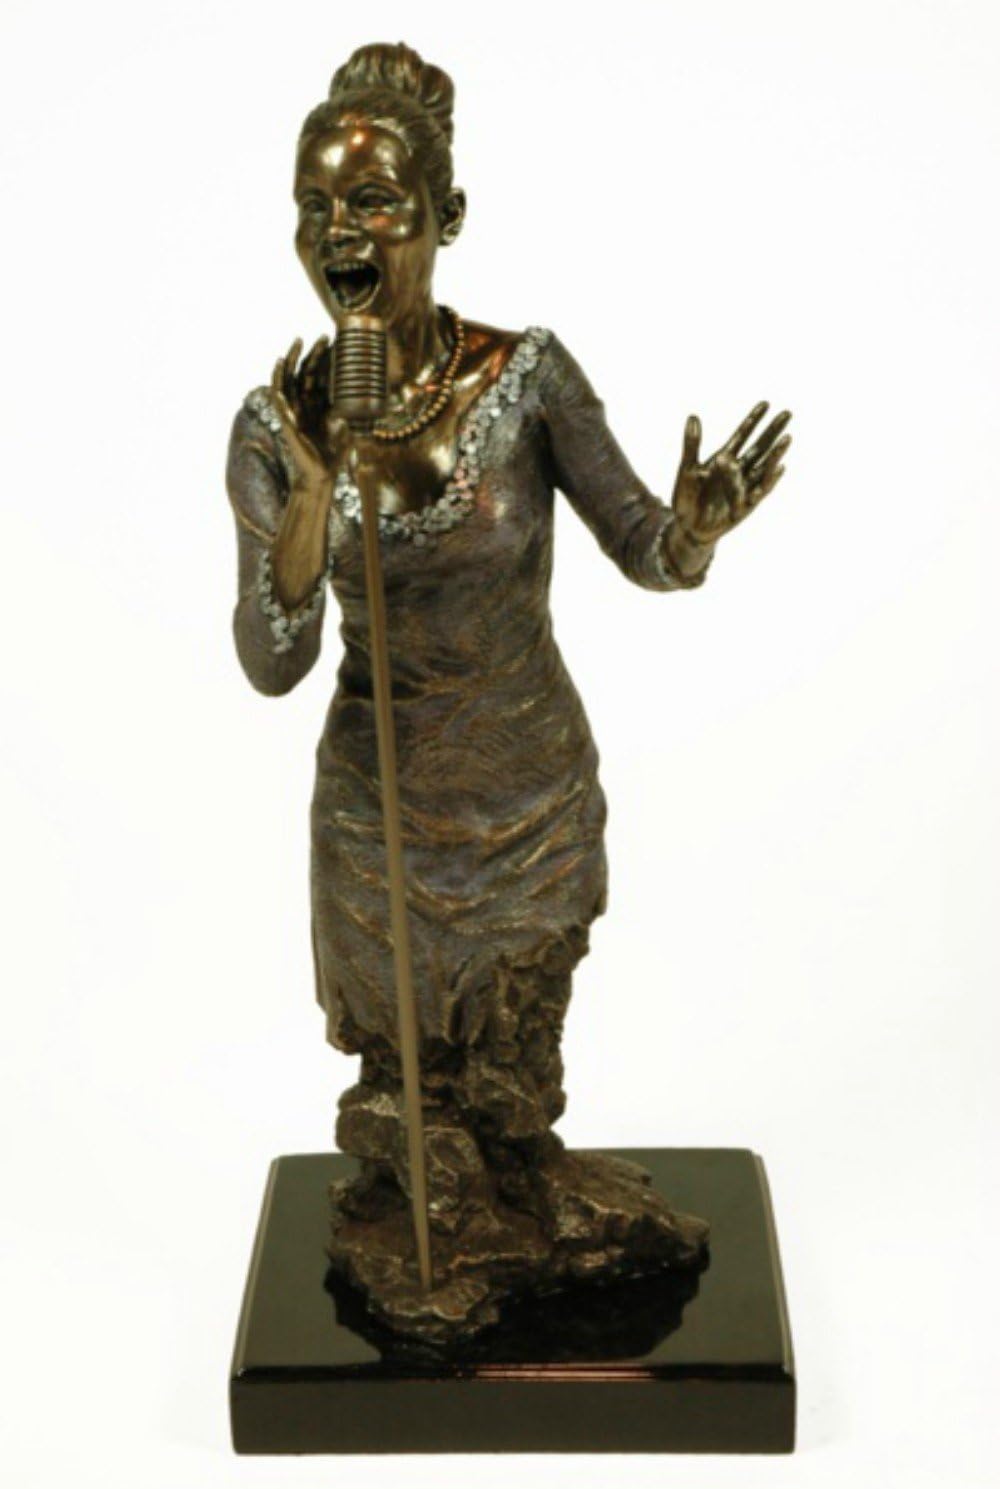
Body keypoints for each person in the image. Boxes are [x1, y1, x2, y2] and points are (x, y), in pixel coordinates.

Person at [227, 42, 791, 1339]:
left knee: (514, 1082)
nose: (340, 231)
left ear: (446, 217)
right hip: (380, 824)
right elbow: (273, 660)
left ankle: (520, 1188)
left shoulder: (526, 378)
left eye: (375, 202)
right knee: (410, 1101)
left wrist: (695, 529)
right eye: (316, 206)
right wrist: (312, 492)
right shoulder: (276, 429)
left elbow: (647, 549)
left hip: (527, 801)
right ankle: (430, 1211)